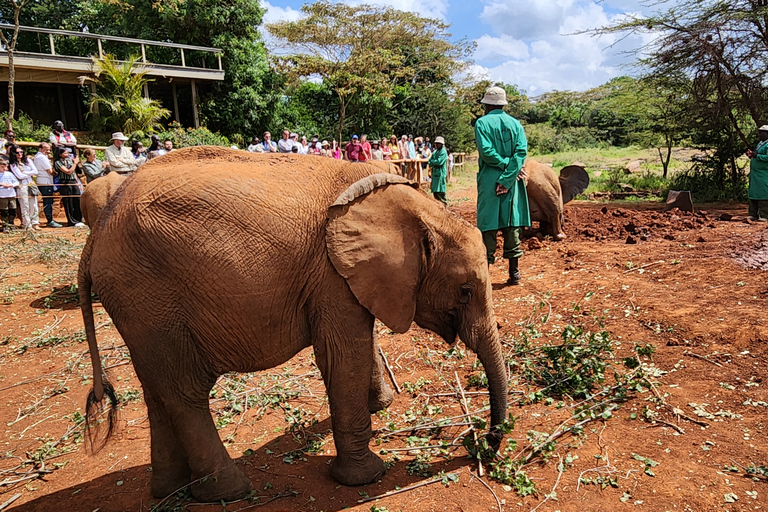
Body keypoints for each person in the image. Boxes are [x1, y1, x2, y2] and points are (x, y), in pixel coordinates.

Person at [475, 86, 530, 285]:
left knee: (487, 225)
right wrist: (509, 176)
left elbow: (487, 152)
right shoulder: (516, 125)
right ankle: (514, 273)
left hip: (490, 180)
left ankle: (485, 277)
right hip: (514, 180)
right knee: (512, 222)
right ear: (503, 104)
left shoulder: (482, 123)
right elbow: (521, 153)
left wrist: (502, 171)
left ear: (487, 105)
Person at [8, 145, 40, 230]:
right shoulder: (13, 164)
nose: (20, 154)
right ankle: (27, 224)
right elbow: (19, 175)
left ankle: (35, 222)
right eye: (17, 152)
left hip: (31, 184)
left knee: (34, 204)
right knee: (25, 205)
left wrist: (25, 172)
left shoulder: (28, 160)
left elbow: (36, 171)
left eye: (21, 152)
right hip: (22, 186)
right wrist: (30, 173)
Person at [54, 147, 86, 227]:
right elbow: (68, 171)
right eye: (65, 153)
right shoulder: (57, 163)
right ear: (60, 154)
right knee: (68, 202)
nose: (67, 154)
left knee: (77, 200)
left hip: (73, 181)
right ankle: (71, 221)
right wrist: (75, 163)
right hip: (65, 182)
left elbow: (74, 172)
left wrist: (77, 182)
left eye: (67, 153)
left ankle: (78, 219)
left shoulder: (69, 160)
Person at [33, 142, 61, 228]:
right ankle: (49, 220)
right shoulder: (41, 157)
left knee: (48, 201)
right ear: (40, 149)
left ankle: (50, 219)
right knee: (48, 201)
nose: (48, 151)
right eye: (46, 149)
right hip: (45, 182)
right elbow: (50, 171)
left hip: (45, 181)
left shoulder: (41, 157)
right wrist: (58, 172)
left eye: (49, 149)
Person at [746, 125, 768, 222]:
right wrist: (751, 155)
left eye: (761, 132)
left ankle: (764, 215)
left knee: (763, 193)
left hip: (763, 174)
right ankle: (752, 214)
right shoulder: (760, 143)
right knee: (753, 192)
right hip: (755, 174)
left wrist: (757, 156)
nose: (759, 134)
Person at [428, 136, 448, 205]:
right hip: (435, 174)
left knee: (441, 192)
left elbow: (439, 162)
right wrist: (433, 162)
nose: (437, 145)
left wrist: (433, 162)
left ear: (442, 144)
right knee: (435, 192)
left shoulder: (443, 152)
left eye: (438, 143)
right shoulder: (435, 152)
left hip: (440, 174)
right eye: (436, 143)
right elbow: (429, 161)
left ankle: (444, 206)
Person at [0, 158, 18, 232]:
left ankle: (11, 223)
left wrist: (11, 185)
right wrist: (1, 184)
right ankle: (5, 225)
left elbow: (16, 182)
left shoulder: (9, 174)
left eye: (5, 166)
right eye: (2, 166)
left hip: (11, 195)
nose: (4, 168)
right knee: (4, 211)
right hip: (2, 195)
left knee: (13, 210)